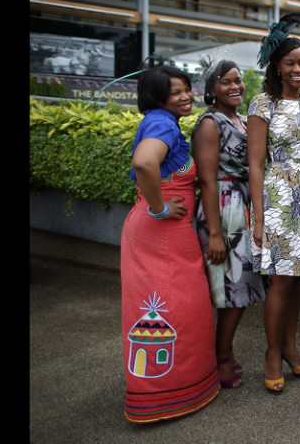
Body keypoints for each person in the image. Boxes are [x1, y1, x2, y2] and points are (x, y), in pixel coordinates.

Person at [120, 65, 220, 422]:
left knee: (177, 310)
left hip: (163, 234)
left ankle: (176, 390)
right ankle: (163, 395)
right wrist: (160, 208)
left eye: (187, 89)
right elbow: (145, 163)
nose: (186, 96)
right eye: (175, 91)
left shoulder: (163, 121)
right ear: (157, 96)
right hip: (160, 232)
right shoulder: (161, 123)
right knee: (168, 312)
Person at [248, 14, 300, 393]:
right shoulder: (263, 103)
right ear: (277, 65)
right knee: (281, 281)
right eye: (291, 62)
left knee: (295, 280)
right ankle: (272, 352)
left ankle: (291, 349)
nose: (298, 69)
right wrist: (259, 218)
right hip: (278, 195)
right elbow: (256, 164)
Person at [192, 57, 268, 390]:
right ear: (211, 90)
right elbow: (207, 181)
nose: (235, 86)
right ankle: (219, 356)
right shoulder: (210, 123)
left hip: (243, 206)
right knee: (230, 292)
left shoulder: (238, 119)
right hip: (223, 210)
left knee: (238, 290)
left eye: (238, 80)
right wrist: (216, 236)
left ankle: (221, 351)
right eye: (226, 82)